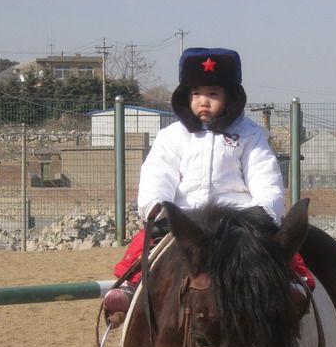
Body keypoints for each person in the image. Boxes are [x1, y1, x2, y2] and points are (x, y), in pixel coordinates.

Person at [104, 47, 313, 325]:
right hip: (185, 218)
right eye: (196, 94)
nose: (204, 101)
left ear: (230, 97)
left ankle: (292, 283)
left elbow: (266, 177)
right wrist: (159, 209)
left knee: (276, 249)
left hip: (237, 222)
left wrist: (263, 213)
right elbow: (157, 175)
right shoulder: (172, 137)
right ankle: (130, 286)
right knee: (144, 244)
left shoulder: (250, 135)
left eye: (213, 94)